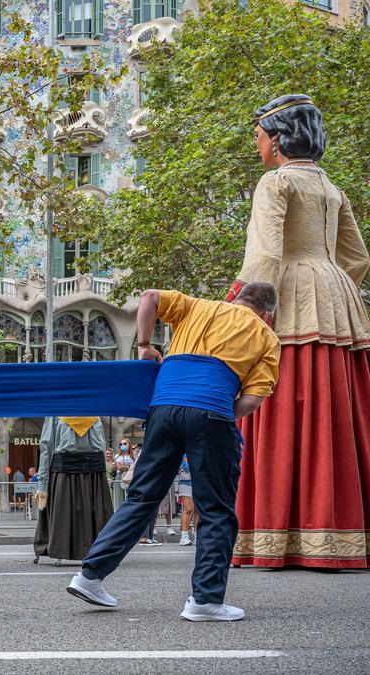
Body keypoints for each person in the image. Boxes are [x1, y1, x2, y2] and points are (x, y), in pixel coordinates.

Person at [68, 283, 281, 622]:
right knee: (215, 509)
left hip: (163, 407)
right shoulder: (266, 336)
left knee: (142, 497)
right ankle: (205, 601)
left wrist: (143, 346)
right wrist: (217, 409)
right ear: (268, 315)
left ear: (234, 298)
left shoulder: (198, 306)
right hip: (212, 411)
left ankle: (89, 576)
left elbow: (149, 297)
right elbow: (251, 401)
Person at [229, 95, 370, 570]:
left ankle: (274, 535)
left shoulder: (276, 181)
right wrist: (332, 291)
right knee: (339, 410)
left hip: (287, 293)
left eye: (259, 135)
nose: (256, 145)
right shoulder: (331, 187)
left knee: (279, 400)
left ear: (278, 138)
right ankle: (341, 532)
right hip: (335, 294)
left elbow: (266, 252)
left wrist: (242, 305)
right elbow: (358, 259)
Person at [33, 417, 113, 564]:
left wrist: (42, 484)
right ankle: (94, 549)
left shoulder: (56, 415)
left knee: (65, 511)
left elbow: (46, 448)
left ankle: (62, 549)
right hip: (88, 474)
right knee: (91, 511)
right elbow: (101, 447)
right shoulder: (94, 416)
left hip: (70, 473)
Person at [177, 457, 196, 546]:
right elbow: (186, 467)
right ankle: (184, 537)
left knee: (198, 511)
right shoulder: (184, 452)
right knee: (188, 509)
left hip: (201, 482)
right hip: (186, 483)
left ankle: (197, 537)